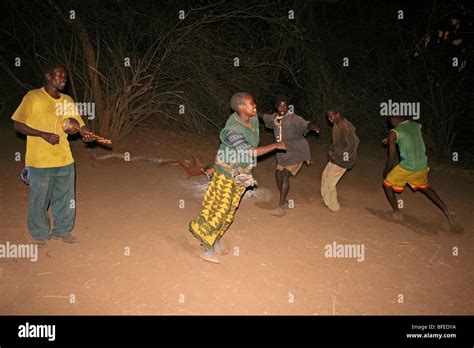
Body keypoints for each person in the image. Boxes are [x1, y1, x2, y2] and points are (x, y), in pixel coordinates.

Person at [189, 92, 286, 264]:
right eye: (251, 103)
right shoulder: (231, 130)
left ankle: (216, 238)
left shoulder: (253, 119)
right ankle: (207, 246)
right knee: (221, 209)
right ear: (241, 107)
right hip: (225, 173)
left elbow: (267, 118)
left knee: (231, 210)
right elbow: (249, 151)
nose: (255, 105)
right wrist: (276, 145)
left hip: (241, 174)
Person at [11, 61, 93, 247]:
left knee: (65, 198)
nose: (63, 78)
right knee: (40, 199)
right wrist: (42, 134)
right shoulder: (33, 97)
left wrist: (86, 133)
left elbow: (79, 124)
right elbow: (17, 124)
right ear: (48, 76)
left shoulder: (67, 101)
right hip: (39, 160)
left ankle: (63, 231)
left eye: (64, 75)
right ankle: (40, 234)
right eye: (58, 75)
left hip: (64, 159)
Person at [383, 116, 456, 224]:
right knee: (425, 187)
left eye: (391, 118)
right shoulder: (415, 126)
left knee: (387, 184)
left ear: (395, 119)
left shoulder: (394, 132)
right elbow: (411, 137)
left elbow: (392, 157)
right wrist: (391, 139)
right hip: (421, 164)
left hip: (407, 166)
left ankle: (397, 213)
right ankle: (448, 211)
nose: (390, 120)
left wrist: (386, 170)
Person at [261, 95, 319, 216]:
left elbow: (305, 124)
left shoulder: (294, 118)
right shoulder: (274, 118)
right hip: (283, 154)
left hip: (297, 151)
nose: (282, 108)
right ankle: (284, 196)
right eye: (280, 105)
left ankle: (281, 206)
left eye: (285, 105)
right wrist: (252, 112)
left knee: (285, 175)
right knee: (278, 175)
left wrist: (312, 126)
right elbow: (263, 117)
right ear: (276, 106)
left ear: (288, 106)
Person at [321, 105, 359, 211]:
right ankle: (327, 201)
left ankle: (334, 207)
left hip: (345, 158)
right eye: (328, 117)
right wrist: (331, 151)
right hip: (337, 156)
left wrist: (336, 155)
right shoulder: (337, 124)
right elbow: (336, 142)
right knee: (325, 176)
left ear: (338, 114)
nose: (329, 119)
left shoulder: (345, 126)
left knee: (330, 180)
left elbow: (350, 146)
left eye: (331, 116)